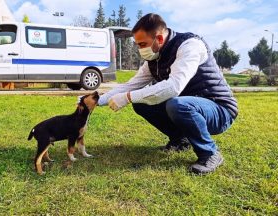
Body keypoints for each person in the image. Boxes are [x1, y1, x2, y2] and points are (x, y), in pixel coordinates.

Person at [98, 13, 238, 175]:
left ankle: (210, 153)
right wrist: (97, 100)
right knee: (141, 103)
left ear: (159, 39)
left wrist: (128, 97)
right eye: (137, 44)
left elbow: (173, 87)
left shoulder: (190, 45)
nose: (140, 49)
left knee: (177, 105)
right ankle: (180, 140)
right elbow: (131, 85)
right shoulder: (153, 60)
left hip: (219, 109)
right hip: (189, 105)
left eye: (142, 44)